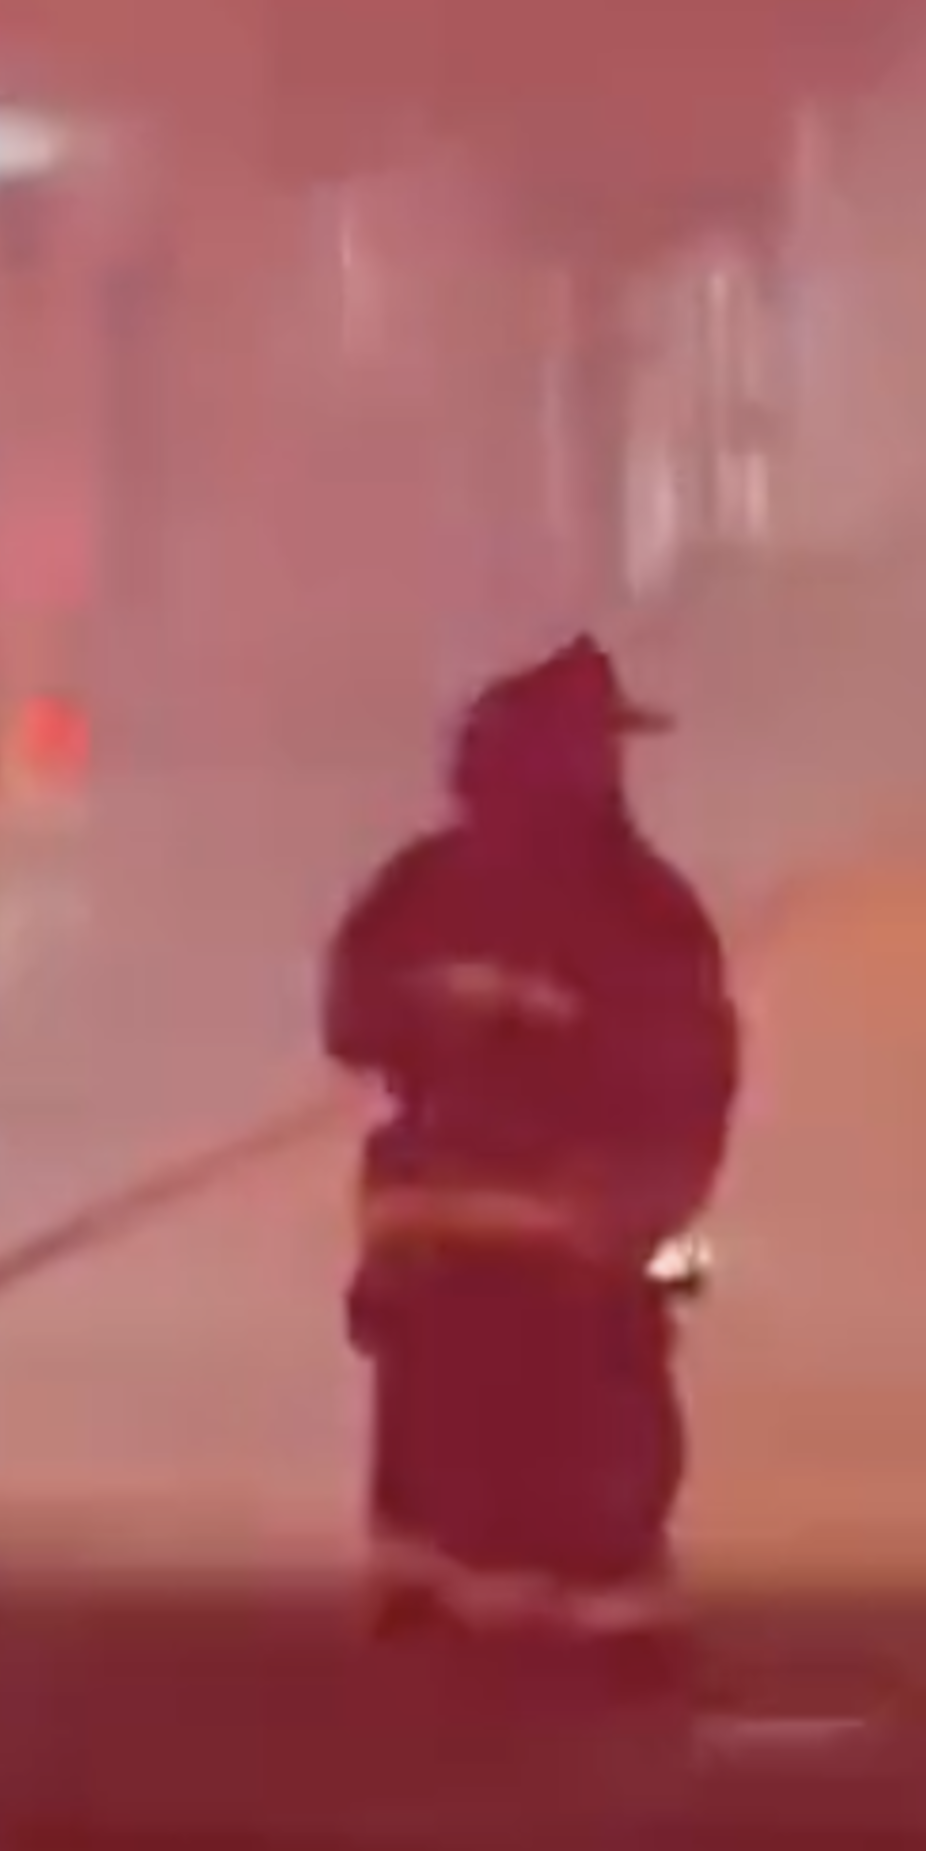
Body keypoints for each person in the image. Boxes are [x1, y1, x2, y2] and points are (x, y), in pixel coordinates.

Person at [321, 638, 741, 1660]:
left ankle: (443, 1600)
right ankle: (577, 1612)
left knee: (450, 1406)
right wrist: (674, 1237)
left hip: (448, 1220)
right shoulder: (642, 905)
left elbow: (352, 1017)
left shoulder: (425, 884)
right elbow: (696, 1071)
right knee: (587, 1404)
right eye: (597, 746)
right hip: (571, 1227)